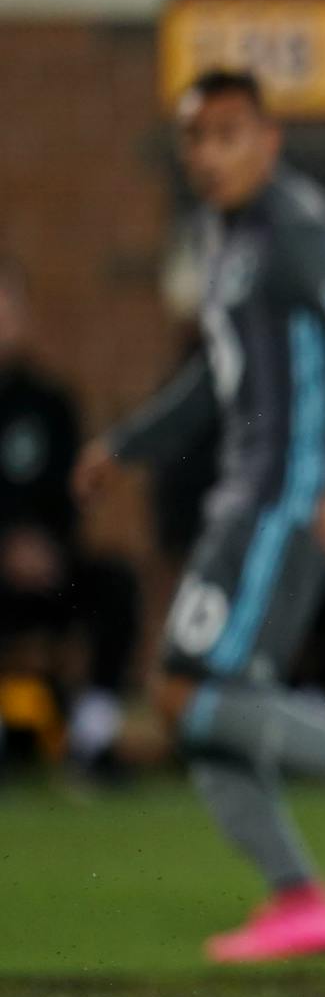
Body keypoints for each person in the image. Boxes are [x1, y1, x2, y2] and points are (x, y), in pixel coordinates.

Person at [73, 71, 325, 964]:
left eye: (229, 134)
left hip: (284, 497)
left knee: (185, 690)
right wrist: (131, 443)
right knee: (203, 703)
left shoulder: (293, 229)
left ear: (269, 140)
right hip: (249, 494)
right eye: (197, 138)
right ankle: (299, 898)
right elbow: (221, 372)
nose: (210, 154)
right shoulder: (228, 236)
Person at [0, 269, 139, 772]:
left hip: (50, 566)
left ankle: (92, 735)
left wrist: (44, 546)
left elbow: (72, 494)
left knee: (114, 583)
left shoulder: (51, 402)